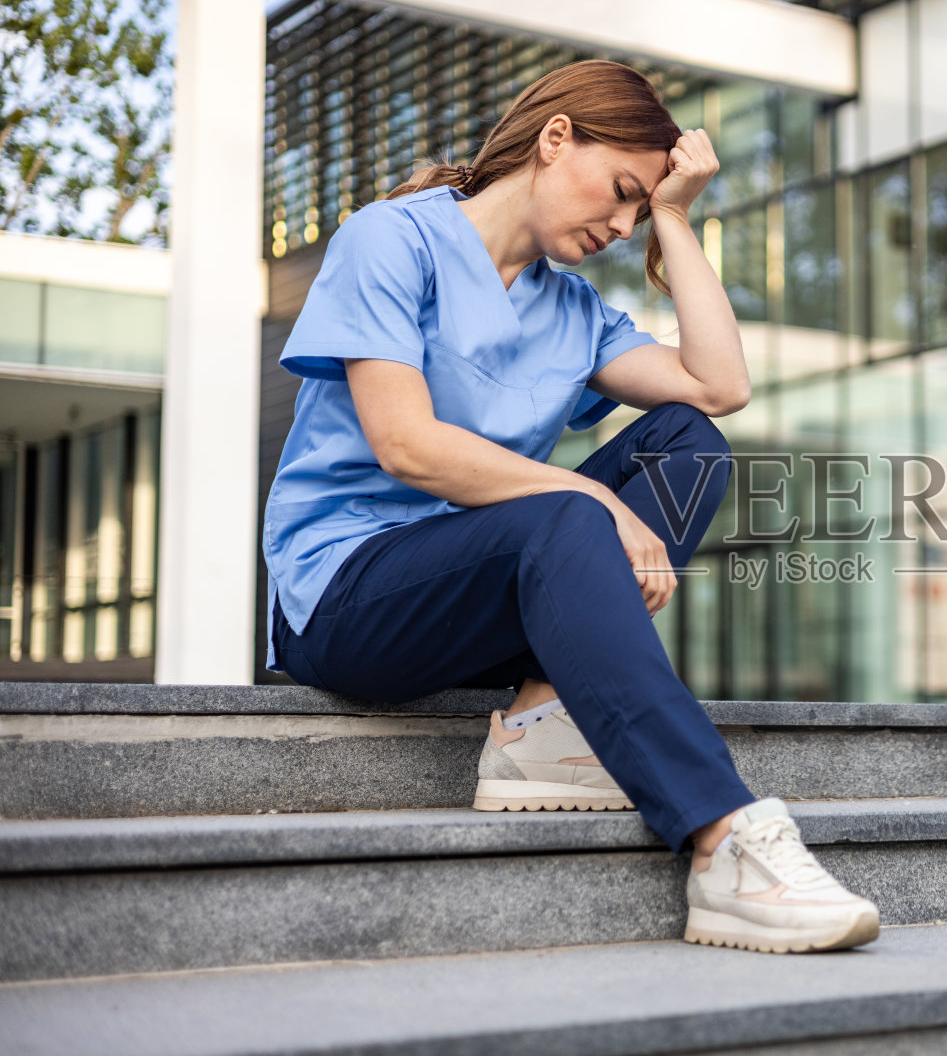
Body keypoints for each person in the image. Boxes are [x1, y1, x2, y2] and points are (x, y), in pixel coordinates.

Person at [262, 60, 878, 954]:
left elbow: (719, 383)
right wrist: (587, 493)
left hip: (484, 595)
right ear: (556, 139)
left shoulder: (573, 310)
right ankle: (723, 842)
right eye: (625, 192)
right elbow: (406, 443)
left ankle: (540, 718)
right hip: (348, 598)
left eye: (638, 213)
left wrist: (676, 214)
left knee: (687, 443)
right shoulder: (390, 239)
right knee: (566, 512)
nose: (622, 226)